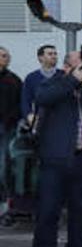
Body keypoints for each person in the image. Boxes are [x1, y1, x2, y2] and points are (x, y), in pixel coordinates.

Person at [29, 50, 82, 247]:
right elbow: (43, 98)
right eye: (78, 65)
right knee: (48, 209)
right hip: (55, 158)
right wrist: (72, 80)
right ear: (66, 67)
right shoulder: (53, 83)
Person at [0, 47, 22, 198]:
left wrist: (11, 120)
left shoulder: (14, 79)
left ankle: (5, 197)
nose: (5, 58)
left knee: (4, 164)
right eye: (2, 56)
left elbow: (20, 103)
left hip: (7, 127)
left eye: (7, 56)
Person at [19, 43, 58, 123]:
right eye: (50, 54)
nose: (54, 56)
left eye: (55, 54)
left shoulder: (63, 75)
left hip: (61, 119)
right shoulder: (31, 78)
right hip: (40, 120)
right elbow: (26, 100)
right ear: (41, 58)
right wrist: (29, 116)